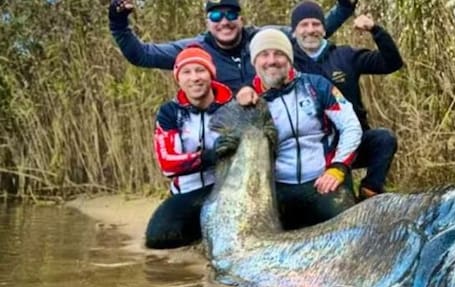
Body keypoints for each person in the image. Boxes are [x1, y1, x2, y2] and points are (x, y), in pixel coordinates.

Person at [238, 29, 362, 230]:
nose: (272, 61)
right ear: (254, 62)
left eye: (279, 53)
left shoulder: (316, 85)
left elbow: (351, 126)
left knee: (348, 229)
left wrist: (338, 167)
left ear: (289, 58)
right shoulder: (249, 101)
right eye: (264, 55)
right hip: (277, 189)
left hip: (322, 181)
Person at [108, 0, 357, 92]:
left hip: (273, 127)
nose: (224, 22)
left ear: (241, 18)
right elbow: (141, 55)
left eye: (230, 15)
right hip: (225, 135)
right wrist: (118, 22)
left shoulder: (264, 38)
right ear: (207, 22)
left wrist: (345, 6)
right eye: (216, 17)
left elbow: (307, 35)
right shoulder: (196, 49)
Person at [290, 1, 404, 200]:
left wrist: (375, 30)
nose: (310, 30)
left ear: (324, 28)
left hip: (351, 140)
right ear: (294, 32)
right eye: (304, 25)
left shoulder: (345, 56)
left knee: (384, 139)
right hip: (314, 150)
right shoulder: (287, 63)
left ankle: (369, 192)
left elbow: (391, 63)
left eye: (316, 24)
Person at [146, 46, 236, 249]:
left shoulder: (231, 108)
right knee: (157, 238)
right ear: (178, 79)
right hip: (186, 193)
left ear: (211, 74)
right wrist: (210, 157)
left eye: (200, 70)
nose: (194, 78)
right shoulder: (170, 112)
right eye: (187, 72)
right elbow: (167, 164)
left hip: (224, 192)